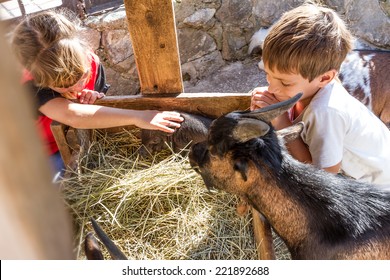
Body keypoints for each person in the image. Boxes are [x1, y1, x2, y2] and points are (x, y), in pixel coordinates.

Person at [11, 10, 183, 178]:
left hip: (73, 141)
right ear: (40, 80)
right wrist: (139, 117)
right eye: (64, 85)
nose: (78, 87)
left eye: (82, 77)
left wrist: (92, 96)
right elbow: (71, 114)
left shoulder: (91, 61)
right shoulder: (28, 86)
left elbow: (93, 102)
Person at [250, 3, 390, 189]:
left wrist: (281, 122)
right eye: (269, 75)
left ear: (325, 78)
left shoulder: (326, 112)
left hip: (376, 195)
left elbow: (322, 182)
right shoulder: (310, 90)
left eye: (285, 83)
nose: (272, 87)